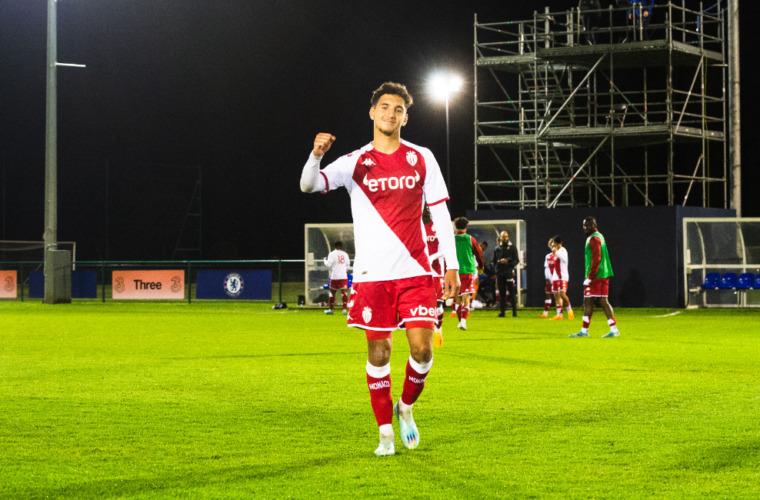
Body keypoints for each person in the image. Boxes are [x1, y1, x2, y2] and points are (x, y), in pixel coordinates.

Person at [300, 81, 460, 456]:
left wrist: (450, 265)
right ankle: (385, 432)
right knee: (380, 355)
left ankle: (405, 406)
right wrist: (315, 155)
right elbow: (308, 185)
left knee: (422, 351)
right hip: (373, 276)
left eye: (398, 109)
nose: (391, 113)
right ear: (372, 112)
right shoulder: (354, 162)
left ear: (406, 116)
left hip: (417, 271)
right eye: (384, 107)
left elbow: (439, 212)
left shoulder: (422, 157)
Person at [570, 217, 620, 338]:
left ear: (594, 225)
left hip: (596, 276)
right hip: (603, 274)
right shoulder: (599, 236)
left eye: (588, 225)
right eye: (584, 226)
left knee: (587, 301)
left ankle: (584, 331)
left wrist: (590, 277)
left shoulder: (594, 239)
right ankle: (614, 329)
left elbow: (596, 259)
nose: (586, 228)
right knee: (603, 301)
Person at [454, 217, 484, 330]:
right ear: (466, 227)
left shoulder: (452, 239)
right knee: (466, 298)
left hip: (456, 271)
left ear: (456, 226)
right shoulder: (470, 239)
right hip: (468, 271)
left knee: (457, 298)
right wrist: (481, 266)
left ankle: (460, 321)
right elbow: (478, 254)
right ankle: (463, 322)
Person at [422, 205, 445, 348]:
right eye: (424, 209)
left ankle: (438, 329)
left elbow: (444, 249)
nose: (426, 212)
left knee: (437, 305)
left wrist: (431, 258)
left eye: (428, 209)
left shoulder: (437, 227)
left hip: (436, 271)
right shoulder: (415, 226)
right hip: (420, 271)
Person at [492, 230, 519, 318]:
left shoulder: (512, 248)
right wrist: (496, 266)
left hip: (509, 273)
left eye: (506, 236)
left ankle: (514, 312)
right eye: (503, 236)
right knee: (502, 293)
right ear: (500, 237)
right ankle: (502, 312)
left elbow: (516, 260)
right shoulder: (497, 249)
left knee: (511, 292)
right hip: (500, 273)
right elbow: (493, 261)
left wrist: (507, 262)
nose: (505, 238)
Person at [323, 241, 351, 315]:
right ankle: (344, 310)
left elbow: (328, 265)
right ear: (341, 246)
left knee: (332, 293)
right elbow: (348, 266)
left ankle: (331, 310)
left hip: (334, 276)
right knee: (344, 293)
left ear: (334, 246)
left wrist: (324, 261)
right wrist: (343, 271)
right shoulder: (345, 254)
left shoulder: (332, 254)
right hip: (343, 276)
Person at [550, 236, 574, 321]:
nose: (553, 244)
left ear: (556, 243)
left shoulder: (563, 250)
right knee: (556, 296)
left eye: (553, 242)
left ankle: (570, 311)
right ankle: (559, 315)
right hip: (556, 277)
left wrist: (556, 252)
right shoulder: (556, 252)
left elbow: (564, 259)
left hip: (562, 276)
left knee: (562, 295)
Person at [539, 238, 556, 318]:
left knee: (559, 296)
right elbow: (546, 268)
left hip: (557, 279)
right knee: (548, 295)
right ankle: (545, 313)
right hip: (550, 279)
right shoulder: (548, 256)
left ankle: (561, 313)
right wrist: (547, 278)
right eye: (551, 244)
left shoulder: (560, 255)